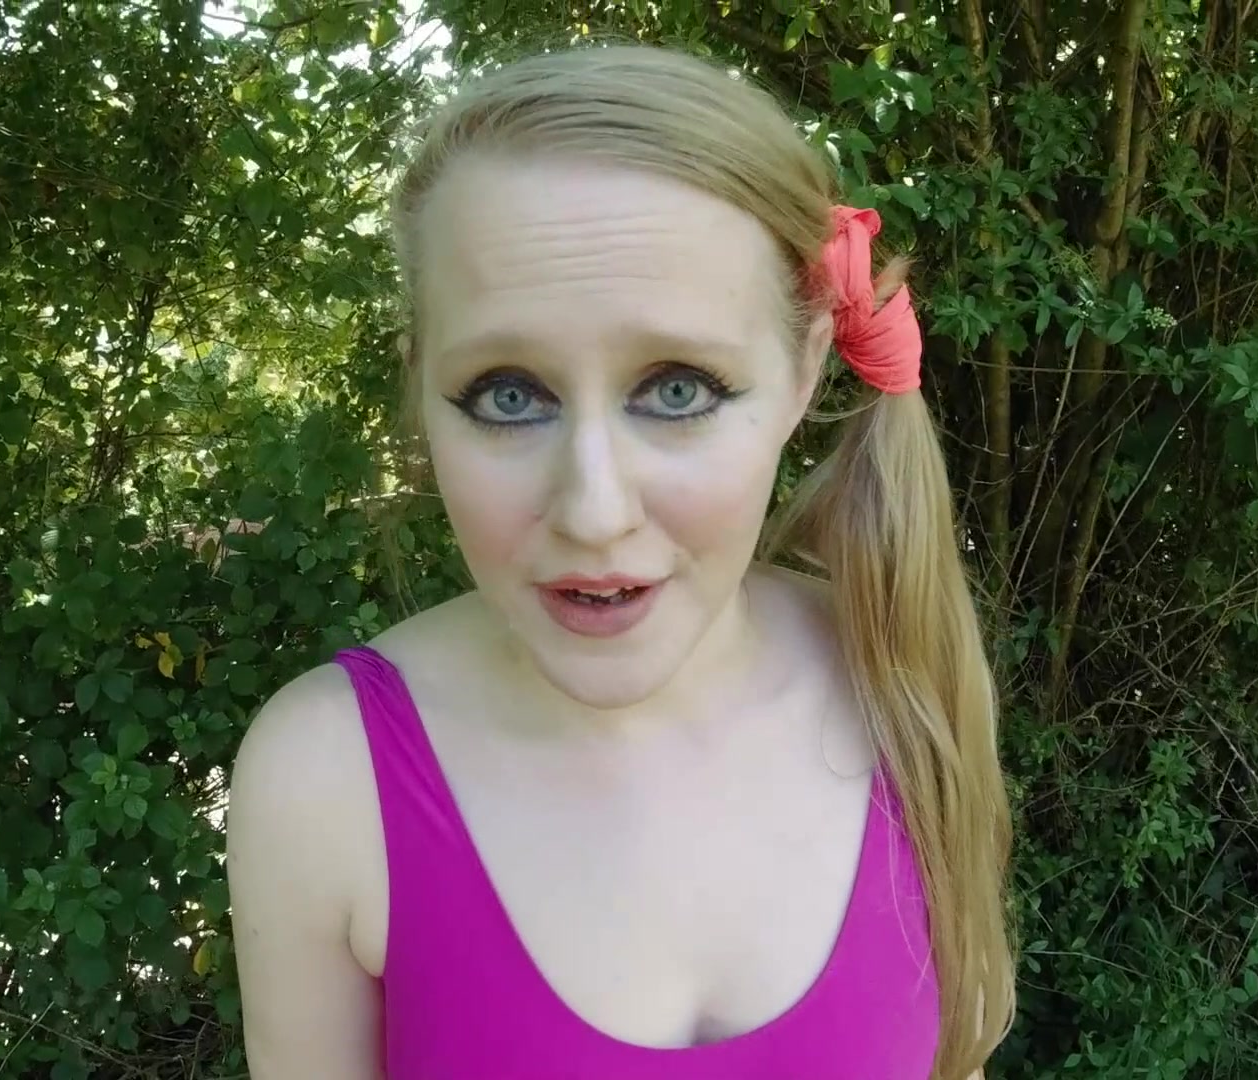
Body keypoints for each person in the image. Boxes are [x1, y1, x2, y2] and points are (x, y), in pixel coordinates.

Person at [225, 44, 1014, 1080]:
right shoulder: (326, 779)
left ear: (803, 371)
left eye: (678, 390)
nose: (594, 513)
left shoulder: (899, 671)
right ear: (422, 393)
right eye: (509, 395)